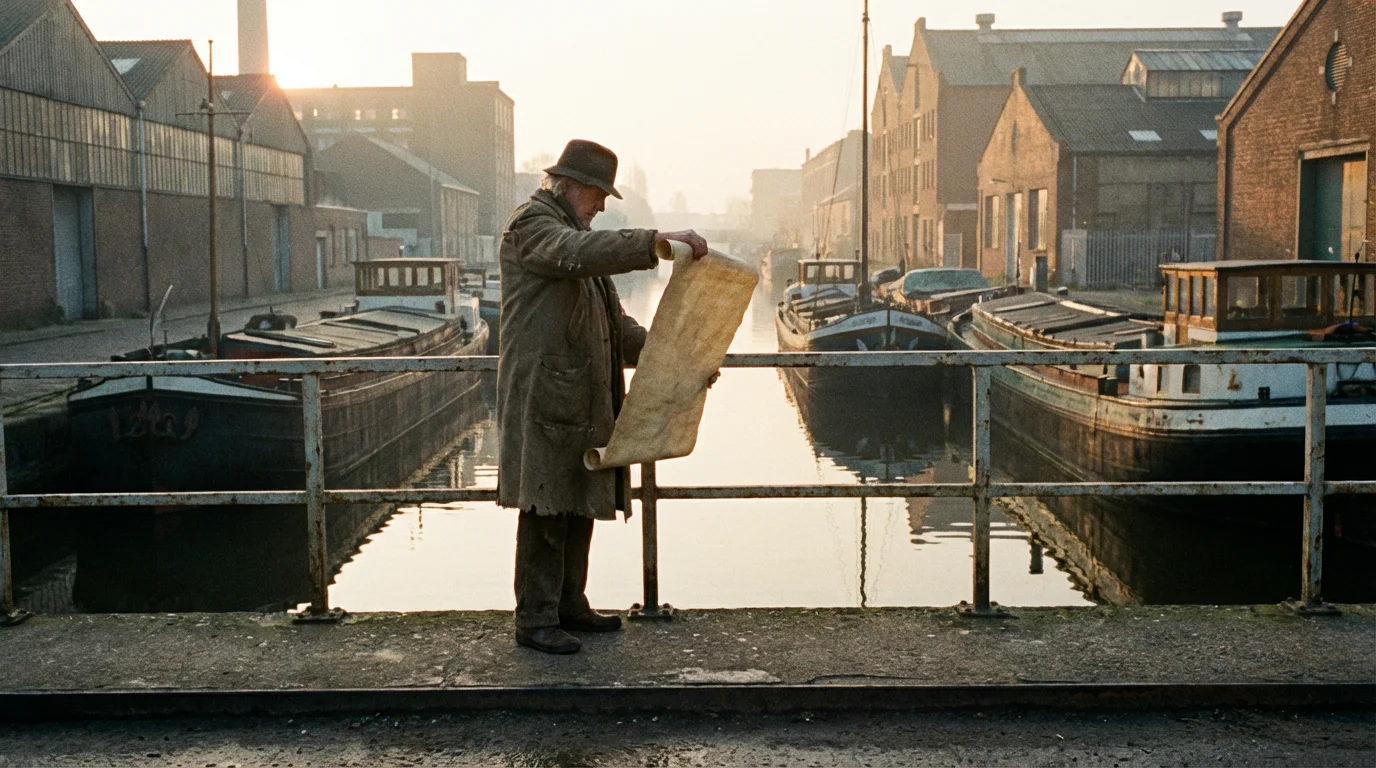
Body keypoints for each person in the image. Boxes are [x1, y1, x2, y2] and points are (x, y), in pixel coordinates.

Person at [497, 139, 707, 654]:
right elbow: (578, 255)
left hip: (579, 400)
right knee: (545, 506)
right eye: (596, 193)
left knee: (577, 503)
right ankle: (535, 619)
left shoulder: (570, 231)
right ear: (567, 185)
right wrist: (653, 243)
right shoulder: (535, 227)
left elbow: (614, 325)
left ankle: (570, 605)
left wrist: (678, 358)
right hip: (546, 400)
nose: (602, 205)